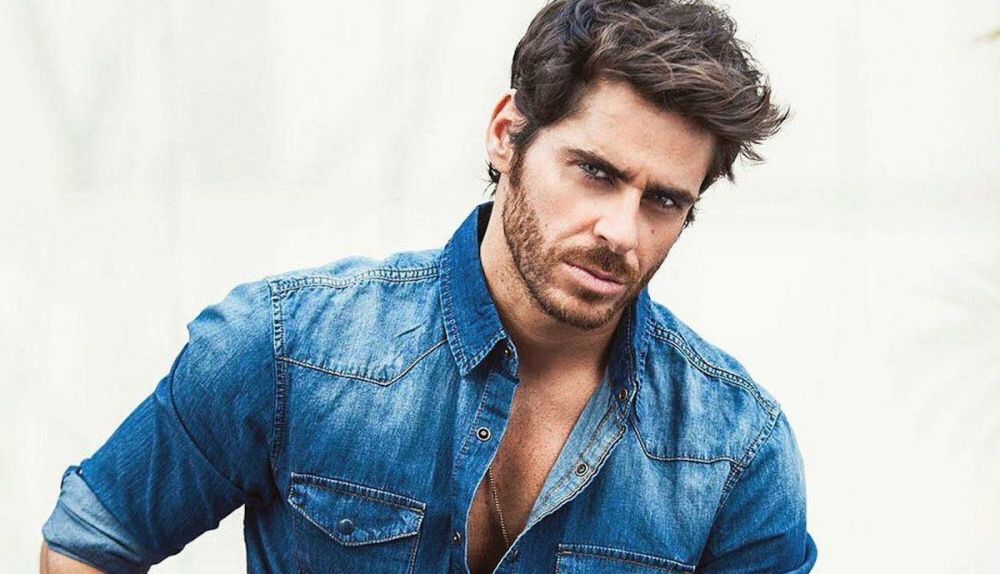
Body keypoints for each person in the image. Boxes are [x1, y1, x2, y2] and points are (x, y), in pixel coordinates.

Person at [40, 1, 818, 572]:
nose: (622, 229)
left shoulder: (733, 448)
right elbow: (90, 543)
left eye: (664, 201)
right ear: (508, 135)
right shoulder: (289, 347)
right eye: (595, 172)